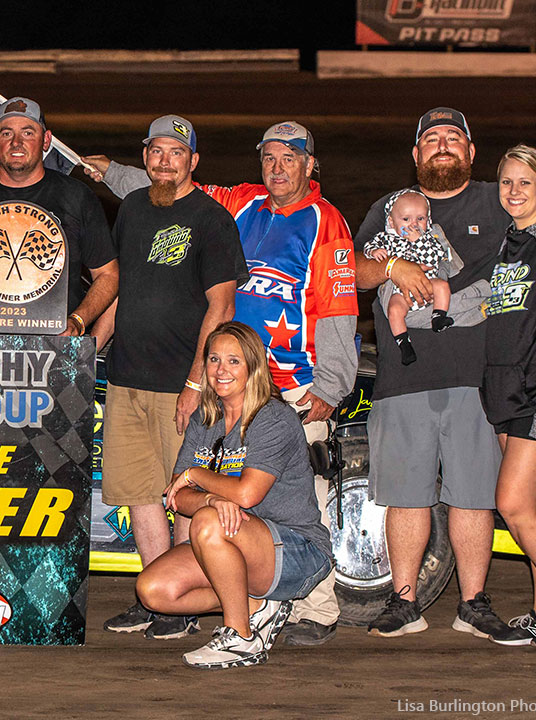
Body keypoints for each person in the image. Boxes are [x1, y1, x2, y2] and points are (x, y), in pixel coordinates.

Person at [85, 121, 356, 646]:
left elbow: (339, 307)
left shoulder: (327, 223)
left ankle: (316, 608)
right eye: (269, 157)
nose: (277, 168)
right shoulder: (242, 203)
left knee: (301, 497)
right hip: (230, 381)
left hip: (291, 385)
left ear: (310, 164)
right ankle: (229, 596)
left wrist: (331, 384)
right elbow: (172, 182)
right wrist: (110, 171)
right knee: (221, 493)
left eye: (289, 158)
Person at [353, 108, 512, 639]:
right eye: (432, 139)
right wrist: (392, 266)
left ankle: (473, 603)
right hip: (402, 379)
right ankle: (404, 601)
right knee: (406, 494)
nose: (442, 145)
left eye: (453, 137)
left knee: (473, 495)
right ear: (416, 154)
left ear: (470, 151)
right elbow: (353, 272)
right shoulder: (389, 207)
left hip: (478, 379)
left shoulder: (497, 200)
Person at [92, 116, 248, 640]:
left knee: (182, 493)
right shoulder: (133, 208)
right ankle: (157, 598)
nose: (164, 161)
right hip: (125, 378)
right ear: (145, 157)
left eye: (175, 153)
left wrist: (196, 383)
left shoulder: (211, 219)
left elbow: (221, 306)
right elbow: (121, 290)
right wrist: (90, 349)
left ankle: (182, 600)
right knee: (140, 493)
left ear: (193, 162)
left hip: (180, 384)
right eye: (156, 151)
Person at [136, 321, 332, 669]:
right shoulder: (204, 419)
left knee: (209, 522)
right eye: (214, 359)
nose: (221, 370)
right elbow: (176, 496)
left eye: (233, 361)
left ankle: (241, 637)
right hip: (235, 542)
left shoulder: (273, 418)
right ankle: (257, 607)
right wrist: (211, 499)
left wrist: (197, 476)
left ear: (253, 367)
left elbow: (246, 494)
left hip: (298, 550)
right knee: (153, 590)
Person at [0, 97, 118, 338]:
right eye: (6, 133)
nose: (16, 143)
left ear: (46, 140)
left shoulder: (77, 196)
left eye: (28, 133)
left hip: (54, 345)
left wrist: (78, 321)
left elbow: (107, 274)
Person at [480, 145, 536, 648]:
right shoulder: (507, 242)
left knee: (512, 503)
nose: (514, 191)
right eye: (506, 182)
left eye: (525, 182)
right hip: (507, 391)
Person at [362, 189, 460, 365]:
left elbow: (434, 259)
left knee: (442, 286)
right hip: (401, 291)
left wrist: (419, 241)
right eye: (406, 219)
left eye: (420, 219)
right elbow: (368, 246)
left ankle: (438, 316)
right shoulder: (386, 239)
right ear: (391, 221)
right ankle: (403, 343)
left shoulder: (429, 239)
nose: (413, 225)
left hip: (427, 283)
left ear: (428, 219)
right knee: (394, 309)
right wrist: (374, 251)